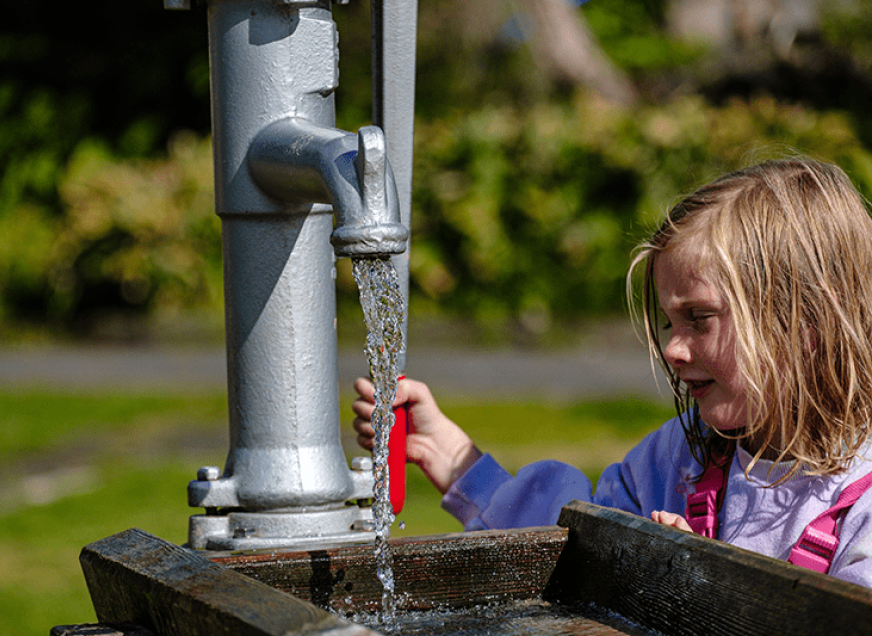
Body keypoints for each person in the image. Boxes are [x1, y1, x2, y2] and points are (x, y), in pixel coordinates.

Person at [351, 157, 872, 587]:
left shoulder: (861, 505)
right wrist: (458, 463)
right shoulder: (679, 459)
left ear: (806, 319)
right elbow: (573, 544)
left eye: (700, 318)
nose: (674, 349)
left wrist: (709, 582)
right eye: (670, 323)